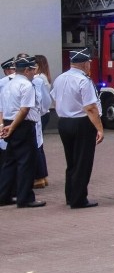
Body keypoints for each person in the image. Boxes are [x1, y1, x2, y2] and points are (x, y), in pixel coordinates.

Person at [51, 48, 103, 208]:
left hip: (64, 121)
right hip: (82, 122)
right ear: (85, 64)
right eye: (89, 63)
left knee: (71, 161)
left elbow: (53, 99)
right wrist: (99, 128)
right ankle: (79, 198)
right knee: (83, 161)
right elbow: (90, 108)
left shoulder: (60, 78)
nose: (89, 66)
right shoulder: (83, 80)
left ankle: (70, 194)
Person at [0, 56, 45, 208]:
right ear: (26, 70)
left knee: (10, 161)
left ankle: (3, 195)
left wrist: (4, 126)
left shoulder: (8, 84)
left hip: (9, 122)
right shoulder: (26, 85)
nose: (34, 72)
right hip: (22, 125)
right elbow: (25, 109)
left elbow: (1, 108)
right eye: (33, 69)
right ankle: (25, 198)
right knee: (26, 162)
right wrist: (12, 127)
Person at [32, 54, 53, 188]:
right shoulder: (44, 77)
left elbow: (44, 101)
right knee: (39, 145)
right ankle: (42, 176)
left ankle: (39, 177)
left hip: (40, 115)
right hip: (43, 114)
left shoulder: (39, 79)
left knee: (36, 146)